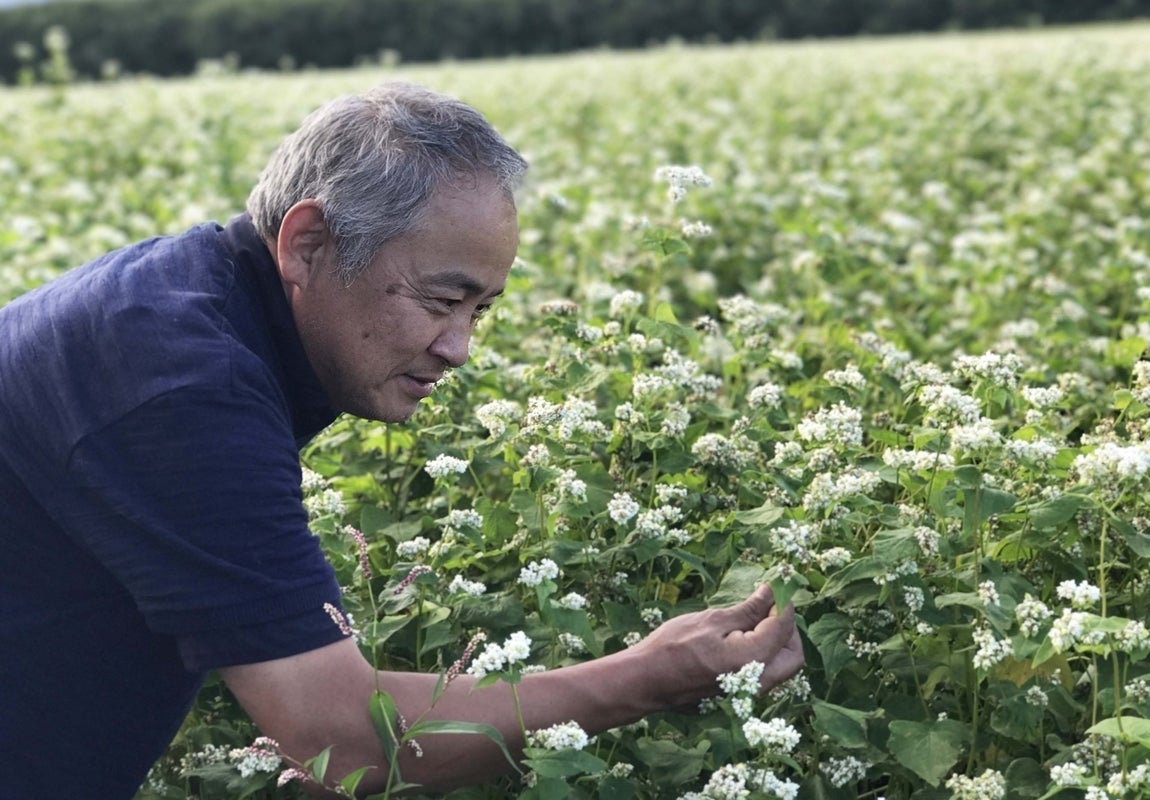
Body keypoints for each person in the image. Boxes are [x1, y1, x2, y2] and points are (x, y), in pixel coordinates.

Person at [0, 81, 805, 798]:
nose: (459, 349)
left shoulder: (184, 305)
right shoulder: (181, 387)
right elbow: (340, 738)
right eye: (441, 300)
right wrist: (652, 676)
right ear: (308, 244)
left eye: (480, 311)